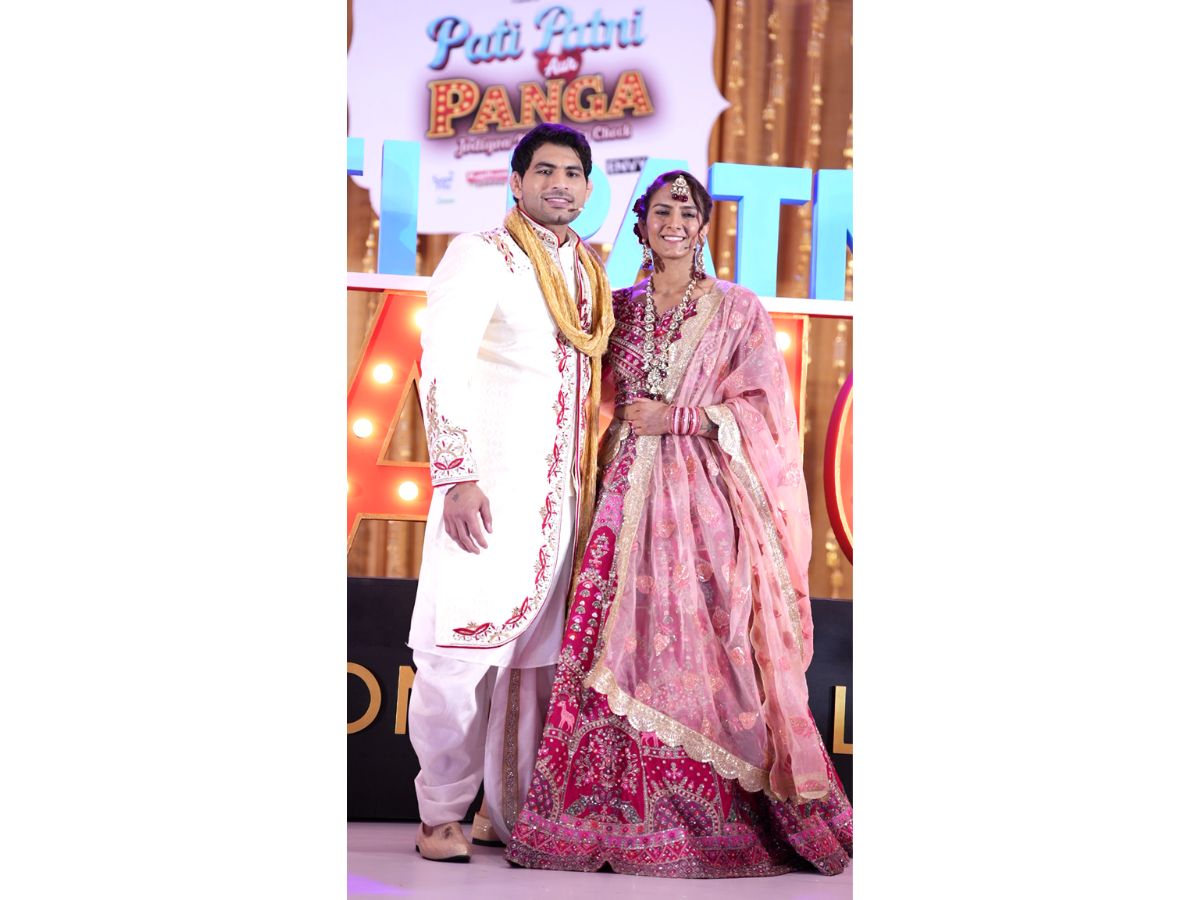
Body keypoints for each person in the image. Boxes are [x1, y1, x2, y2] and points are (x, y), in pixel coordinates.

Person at [503, 171, 853, 877]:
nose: (673, 222)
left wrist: (681, 417)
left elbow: (765, 407)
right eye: (661, 211)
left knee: (710, 640)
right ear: (640, 225)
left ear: (702, 228)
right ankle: (603, 813)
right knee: (607, 637)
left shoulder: (737, 309)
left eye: (686, 213)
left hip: (704, 498)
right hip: (620, 492)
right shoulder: (616, 308)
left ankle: (709, 814)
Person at [407, 123, 614, 863]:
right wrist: (456, 477)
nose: (560, 184)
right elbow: (441, 365)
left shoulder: (588, 274)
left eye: (573, 173)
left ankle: (510, 810)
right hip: (487, 495)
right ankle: (440, 815)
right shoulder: (482, 254)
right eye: (545, 171)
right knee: (458, 656)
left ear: (588, 189)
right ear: (517, 182)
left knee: (533, 668)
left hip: (559, 505)